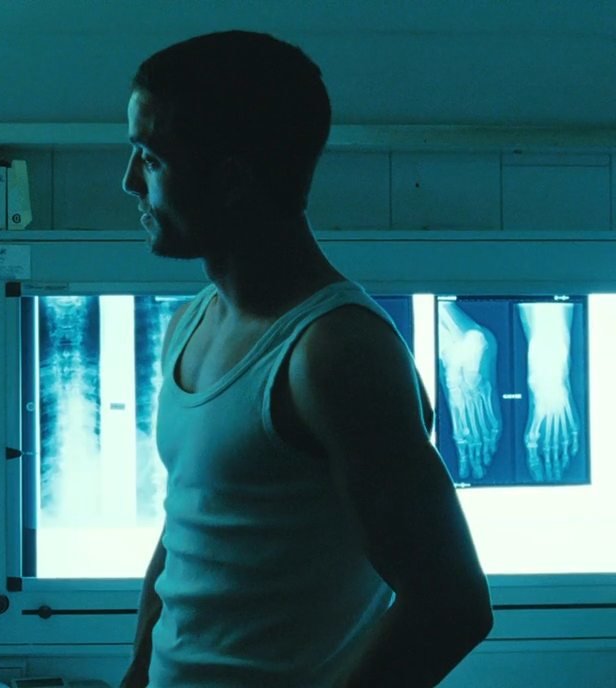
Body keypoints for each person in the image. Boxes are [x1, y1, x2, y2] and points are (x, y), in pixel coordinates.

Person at [118, 31, 493, 687]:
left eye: (150, 159)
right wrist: (137, 673)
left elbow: (451, 607)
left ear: (232, 179)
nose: (128, 183)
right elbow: (188, 530)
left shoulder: (336, 353)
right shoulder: (191, 324)